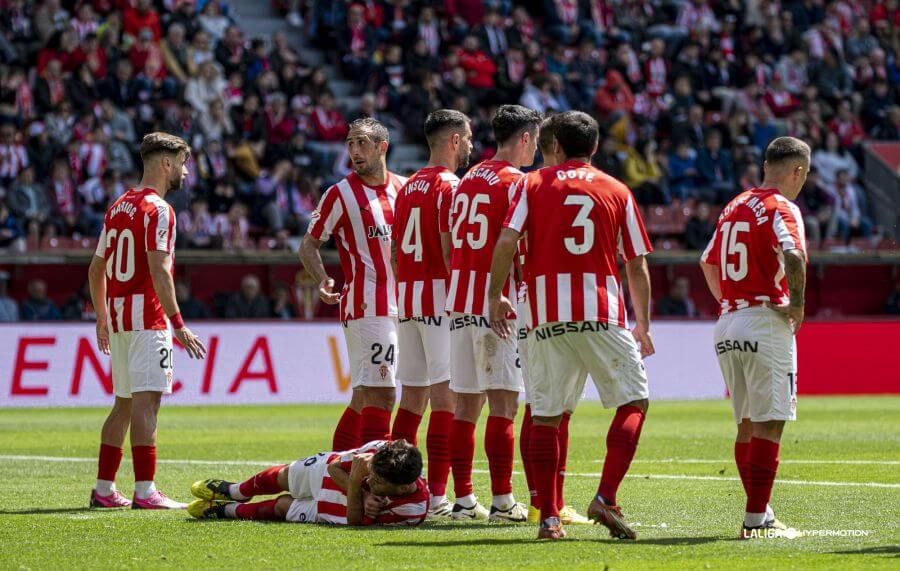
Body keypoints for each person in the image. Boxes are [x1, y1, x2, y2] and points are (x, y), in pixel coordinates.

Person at [488, 111, 654, 540]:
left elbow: (507, 240)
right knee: (633, 402)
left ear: (556, 146)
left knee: (545, 417)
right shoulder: (617, 189)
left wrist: (494, 295)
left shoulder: (530, 184)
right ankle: (606, 496)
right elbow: (636, 263)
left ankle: (549, 519)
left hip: (544, 314)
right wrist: (643, 323)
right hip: (601, 313)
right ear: (594, 147)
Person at [87, 132, 207, 510]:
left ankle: (104, 489)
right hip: (148, 319)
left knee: (123, 404)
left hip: (120, 319)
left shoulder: (118, 206)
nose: (185, 172)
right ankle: (145, 491)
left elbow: (96, 268)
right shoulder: (160, 210)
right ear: (166, 163)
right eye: (183, 163)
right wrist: (178, 323)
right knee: (147, 403)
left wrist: (102, 317)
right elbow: (160, 271)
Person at [699, 136, 810, 538]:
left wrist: (733, 301)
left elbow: (706, 262)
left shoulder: (734, 206)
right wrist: (797, 303)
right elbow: (793, 255)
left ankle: (760, 513)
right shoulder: (782, 207)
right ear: (797, 171)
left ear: (766, 165)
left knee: (746, 426)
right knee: (770, 424)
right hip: (765, 320)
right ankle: (756, 519)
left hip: (729, 321)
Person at [445, 104, 542, 522]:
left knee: (465, 407)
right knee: (504, 404)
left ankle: (464, 500)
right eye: (536, 140)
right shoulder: (517, 183)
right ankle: (503, 501)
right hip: (495, 301)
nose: (537, 150)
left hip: (460, 299)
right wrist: (499, 292)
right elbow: (516, 244)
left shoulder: (467, 179)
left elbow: (449, 238)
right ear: (525, 138)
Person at [299, 118, 408, 453]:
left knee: (364, 397)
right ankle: (375, 470)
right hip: (366, 305)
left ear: (382, 147)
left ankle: (337, 468)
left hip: (405, 305)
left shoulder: (404, 188)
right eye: (350, 143)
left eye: (362, 143)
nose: (354, 151)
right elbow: (308, 245)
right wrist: (322, 279)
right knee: (383, 393)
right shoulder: (340, 194)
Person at [389, 109, 472, 518]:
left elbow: (393, 253)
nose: (470, 145)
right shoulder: (451, 186)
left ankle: (395, 485)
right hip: (440, 297)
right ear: (454, 140)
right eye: (467, 137)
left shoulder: (406, 186)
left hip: (408, 296)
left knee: (412, 397)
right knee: (446, 398)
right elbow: (447, 248)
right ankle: (437, 496)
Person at [518, 114, 591, 527]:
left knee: (546, 406)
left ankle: (546, 502)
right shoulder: (546, 186)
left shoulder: (532, 186)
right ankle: (546, 503)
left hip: (535, 301)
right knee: (548, 408)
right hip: (546, 303)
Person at [187, 439, 428, 526]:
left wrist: (357, 485)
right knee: (282, 476)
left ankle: (227, 511)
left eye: (377, 482)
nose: (370, 480)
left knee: (281, 507)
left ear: (402, 487)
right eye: (371, 474)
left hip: (337, 510)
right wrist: (363, 492)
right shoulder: (378, 451)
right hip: (326, 472)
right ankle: (235, 491)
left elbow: (356, 522)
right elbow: (334, 467)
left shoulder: (411, 510)